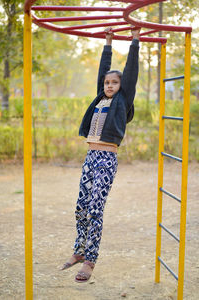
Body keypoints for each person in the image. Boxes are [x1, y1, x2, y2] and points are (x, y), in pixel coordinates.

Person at [61, 27, 141, 283]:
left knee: (95, 209)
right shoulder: (100, 98)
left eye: (114, 83)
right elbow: (102, 70)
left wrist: (134, 39)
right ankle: (79, 250)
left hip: (106, 160)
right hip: (90, 158)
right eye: (107, 82)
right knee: (81, 207)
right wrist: (107, 41)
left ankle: (90, 260)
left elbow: (130, 73)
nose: (109, 85)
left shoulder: (122, 101)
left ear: (121, 87)